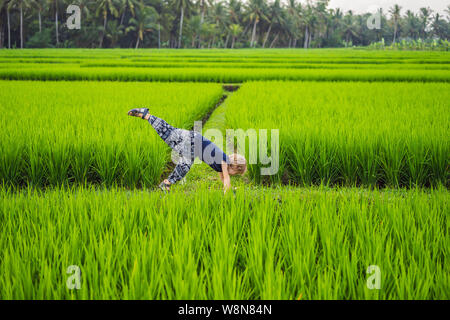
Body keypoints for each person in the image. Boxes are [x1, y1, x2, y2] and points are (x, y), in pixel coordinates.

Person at [128, 108, 247, 193]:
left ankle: (146, 115)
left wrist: (230, 189)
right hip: (193, 144)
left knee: (168, 132)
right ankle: (166, 183)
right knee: (184, 165)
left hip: (192, 138)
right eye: (236, 173)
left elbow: (223, 179)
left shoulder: (222, 165)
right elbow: (226, 178)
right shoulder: (224, 161)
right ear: (235, 167)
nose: (233, 175)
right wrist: (228, 194)